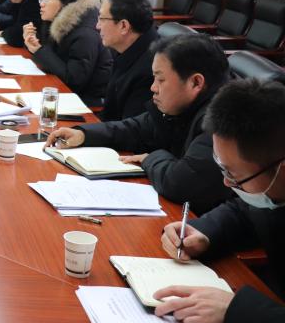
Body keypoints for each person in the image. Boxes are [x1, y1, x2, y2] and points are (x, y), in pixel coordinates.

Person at [154, 79, 285, 323]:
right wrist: (204, 233)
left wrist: (236, 312)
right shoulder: (270, 184)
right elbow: (246, 211)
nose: (226, 183)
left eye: (234, 175)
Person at [46, 33, 233, 214]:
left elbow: (181, 184)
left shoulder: (223, 121)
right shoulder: (181, 106)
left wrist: (149, 158)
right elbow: (136, 128)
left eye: (161, 79)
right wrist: (84, 134)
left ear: (196, 83)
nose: (153, 87)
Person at [23, 0, 111, 106]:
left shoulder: (85, 33)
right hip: (64, 92)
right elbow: (51, 58)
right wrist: (33, 44)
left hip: (87, 100)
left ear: (65, 2)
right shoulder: (57, 23)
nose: (41, 4)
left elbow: (74, 80)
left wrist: (39, 50)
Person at [96, 0, 157, 120]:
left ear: (123, 26)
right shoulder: (125, 47)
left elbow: (132, 128)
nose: (97, 26)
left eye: (102, 19)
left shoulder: (151, 68)